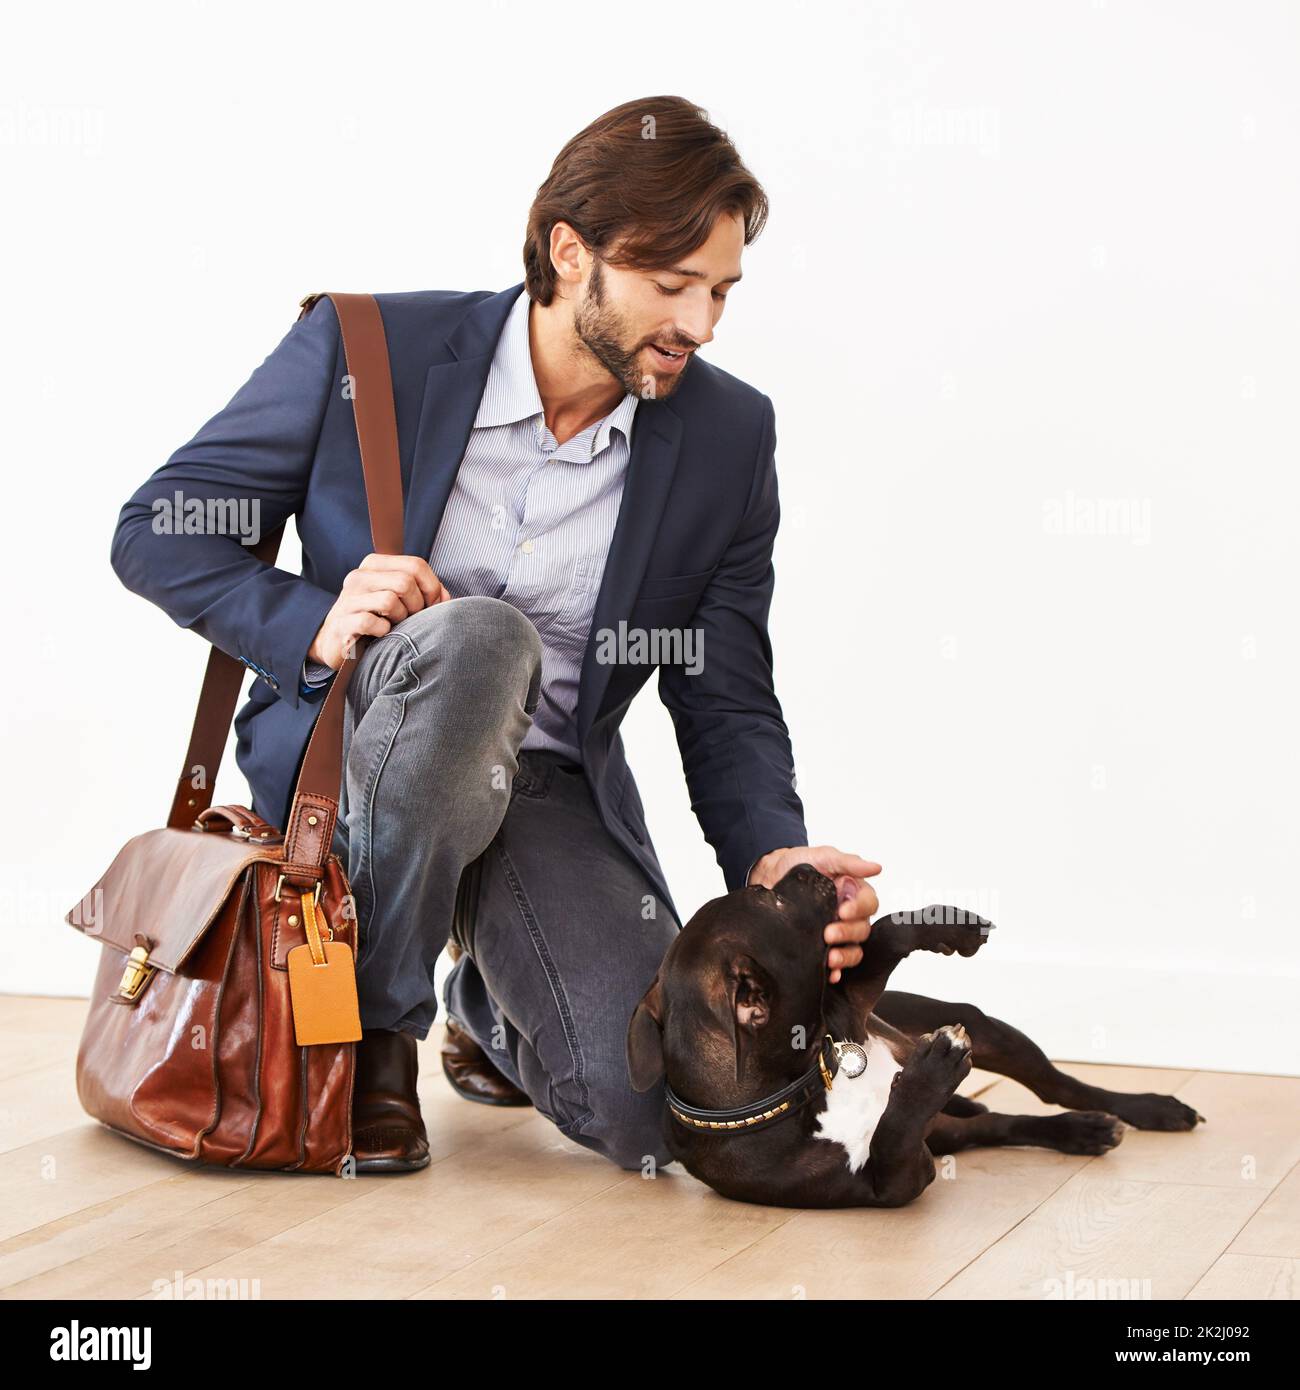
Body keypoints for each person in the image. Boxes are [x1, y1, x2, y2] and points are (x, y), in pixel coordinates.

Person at [111, 95, 881, 1175]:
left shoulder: (725, 435)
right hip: (360, 764)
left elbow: (721, 692)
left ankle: (485, 1001)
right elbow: (156, 531)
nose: (700, 326)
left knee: (658, 1107)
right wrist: (314, 618)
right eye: (672, 287)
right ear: (572, 254)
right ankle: (382, 1033)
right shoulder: (364, 348)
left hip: (548, 787)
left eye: (720, 292)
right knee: (483, 641)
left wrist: (773, 854)